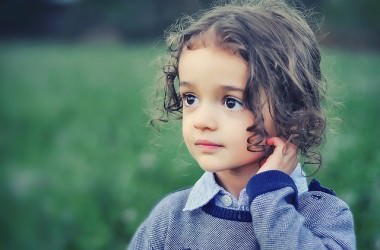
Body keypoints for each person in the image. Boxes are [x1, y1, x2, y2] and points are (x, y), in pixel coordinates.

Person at [128, 0, 356, 249]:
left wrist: (269, 197)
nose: (202, 121)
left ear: (292, 108)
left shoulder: (323, 217)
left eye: (231, 102)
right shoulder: (170, 219)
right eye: (190, 98)